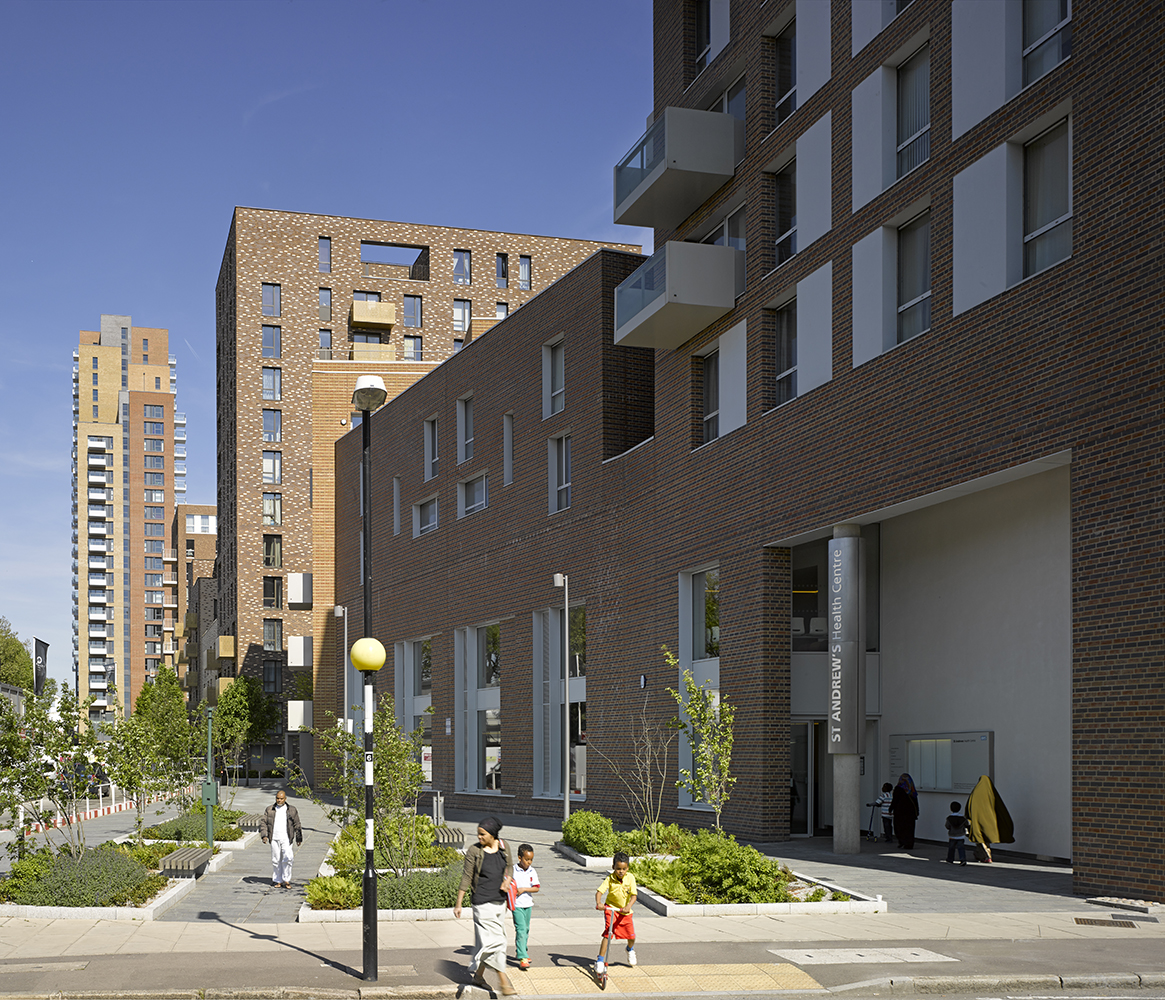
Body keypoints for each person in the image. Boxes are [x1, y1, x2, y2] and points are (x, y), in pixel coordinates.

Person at [455, 817, 516, 997]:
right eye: (478, 834)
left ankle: (478, 976)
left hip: (499, 902)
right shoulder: (474, 851)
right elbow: (466, 877)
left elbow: (510, 867)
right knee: (497, 941)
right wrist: (459, 903)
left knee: (492, 942)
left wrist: (507, 880)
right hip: (481, 902)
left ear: (493, 835)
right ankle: (503, 980)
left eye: (483, 834)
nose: (479, 837)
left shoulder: (504, 847)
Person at [595, 851, 638, 976]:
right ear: (613, 867)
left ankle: (630, 949)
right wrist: (599, 903)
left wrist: (628, 906)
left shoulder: (630, 878)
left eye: (624, 869)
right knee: (608, 933)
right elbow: (599, 891)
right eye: (618, 869)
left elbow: (634, 896)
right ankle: (600, 960)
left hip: (625, 911)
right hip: (611, 910)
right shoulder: (610, 879)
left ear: (627, 868)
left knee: (631, 936)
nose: (621, 871)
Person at [258, 789, 302, 888]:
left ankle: (286, 879)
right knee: (276, 859)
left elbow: (297, 823)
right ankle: (278, 880)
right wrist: (264, 835)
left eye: (281, 799)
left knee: (288, 858)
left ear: (285, 799)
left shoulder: (292, 810)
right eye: (277, 798)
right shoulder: (269, 809)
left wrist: (299, 838)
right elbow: (263, 822)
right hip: (274, 838)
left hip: (287, 838)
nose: (279, 800)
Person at [966, 774, 1014, 863]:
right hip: (990, 824)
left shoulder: (975, 793)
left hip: (977, 823)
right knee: (986, 840)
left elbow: (969, 807)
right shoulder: (992, 794)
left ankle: (986, 856)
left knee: (980, 840)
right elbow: (1000, 810)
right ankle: (986, 855)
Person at [511, 843, 540, 970]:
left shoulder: (532, 871)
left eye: (531, 860)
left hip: (528, 904)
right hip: (517, 905)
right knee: (521, 929)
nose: (529, 862)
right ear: (519, 858)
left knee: (526, 930)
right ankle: (523, 957)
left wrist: (524, 889)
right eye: (527, 859)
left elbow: (536, 888)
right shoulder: (512, 870)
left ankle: (522, 950)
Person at [889, 773, 920, 849]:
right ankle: (909, 843)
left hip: (900, 812)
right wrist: (917, 811)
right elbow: (915, 802)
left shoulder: (898, 789)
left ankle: (902, 841)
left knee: (899, 827)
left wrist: (891, 808)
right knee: (910, 829)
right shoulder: (912, 790)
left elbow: (895, 800)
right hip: (911, 813)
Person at [945, 801, 969, 865]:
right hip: (961, 835)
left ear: (951, 809)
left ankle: (950, 859)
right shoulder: (963, 818)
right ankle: (962, 859)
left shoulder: (949, 818)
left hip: (952, 835)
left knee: (951, 848)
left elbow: (947, 826)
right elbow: (967, 824)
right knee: (961, 848)